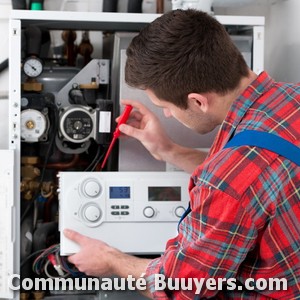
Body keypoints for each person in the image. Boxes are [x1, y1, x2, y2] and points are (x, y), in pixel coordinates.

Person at [64, 9, 300, 299]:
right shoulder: (292, 98)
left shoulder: (227, 182)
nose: (167, 114)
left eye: (167, 106)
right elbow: (258, 181)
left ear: (198, 102)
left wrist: (111, 259)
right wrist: (168, 150)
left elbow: (180, 287)